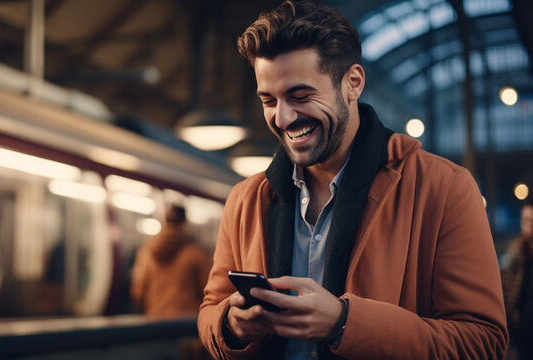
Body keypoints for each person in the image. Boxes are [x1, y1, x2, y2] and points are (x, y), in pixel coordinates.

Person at [197, 1, 508, 359]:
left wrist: (344, 324)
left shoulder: (445, 188)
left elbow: (482, 343)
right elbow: (210, 310)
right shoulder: (245, 199)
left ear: (353, 83)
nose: (282, 118)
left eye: (300, 96)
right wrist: (232, 326)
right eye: (269, 100)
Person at [131, 204, 212, 319]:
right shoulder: (195, 254)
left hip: (155, 322)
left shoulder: (145, 252)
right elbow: (208, 292)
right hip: (185, 325)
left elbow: (137, 293)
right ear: (184, 223)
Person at [502, 199, 533, 360]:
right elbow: (508, 282)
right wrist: (512, 311)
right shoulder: (518, 250)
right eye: (524, 220)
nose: (527, 225)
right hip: (522, 323)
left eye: (530, 220)